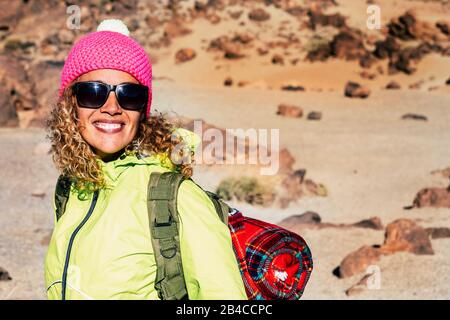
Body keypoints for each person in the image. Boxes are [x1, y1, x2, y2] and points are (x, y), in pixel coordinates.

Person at [44, 19, 247, 300]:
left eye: (130, 95)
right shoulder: (70, 188)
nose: (112, 108)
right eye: (93, 93)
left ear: (143, 109)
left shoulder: (173, 197)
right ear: (70, 103)